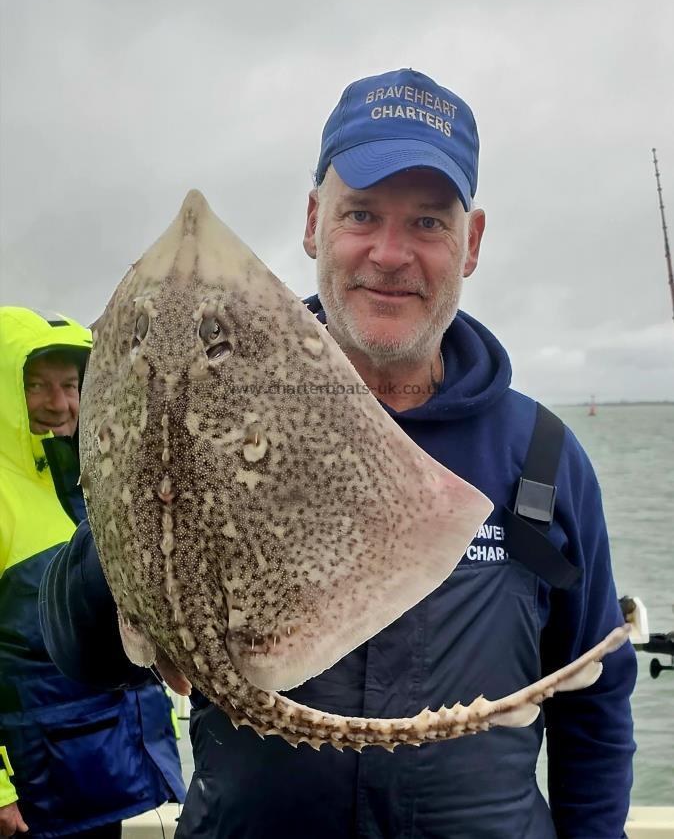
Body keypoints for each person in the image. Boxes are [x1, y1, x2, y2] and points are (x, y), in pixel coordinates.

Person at [40, 69, 637, 839]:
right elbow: (81, 654)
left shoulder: (542, 456)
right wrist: (146, 480)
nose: (389, 253)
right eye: (362, 214)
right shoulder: (203, 415)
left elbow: (594, 697)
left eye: (426, 223)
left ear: (472, 242)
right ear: (316, 222)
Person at [0, 306, 186, 839]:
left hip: (132, 771)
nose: (58, 404)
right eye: (36, 385)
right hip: (44, 794)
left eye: (70, 384)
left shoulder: (105, 486)